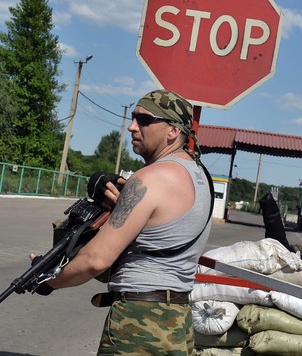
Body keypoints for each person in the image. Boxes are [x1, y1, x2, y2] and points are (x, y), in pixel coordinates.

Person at [34, 90, 212, 355]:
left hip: (139, 322)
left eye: (144, 120)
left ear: (173, 131)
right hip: (177, 320)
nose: (132, 126)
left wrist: (48, 280)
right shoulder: (201, 176)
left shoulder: (151, 178)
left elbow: (96, 260)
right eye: (133, 118)